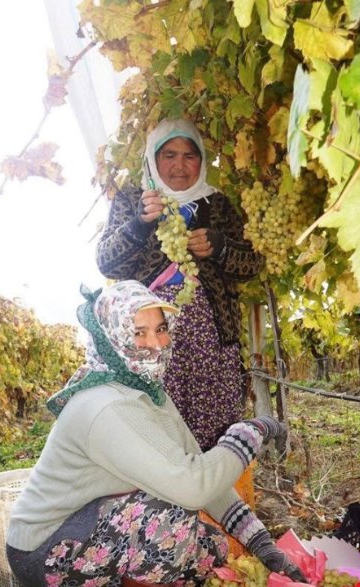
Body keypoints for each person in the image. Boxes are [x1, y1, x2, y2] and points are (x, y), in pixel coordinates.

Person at [6, 282, 302, 587]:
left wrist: (262, 545)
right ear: (110, 339)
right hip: (41, 552)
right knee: (170, 515)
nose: (155, 343)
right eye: (138, 333)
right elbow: (192, 487)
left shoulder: (148, 393)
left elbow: (202, 472)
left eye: (160, 329)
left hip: (87, 525)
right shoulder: (104, 406)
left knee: (208, 550)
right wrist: (250, 433)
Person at [96, 119, 265, 454]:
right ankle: (165, 502)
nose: (179, 165)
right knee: (156, 428)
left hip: (212, 339)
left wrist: (222, 247)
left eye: (190, 156)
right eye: (169, 154)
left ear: (201, 161)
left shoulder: (217, 204)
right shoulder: (134, 200)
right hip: (150, 337)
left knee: (214, 427)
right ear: (153, 159)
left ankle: (214, 499)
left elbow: (251, 264)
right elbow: (108, 262)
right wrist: (140, 224)